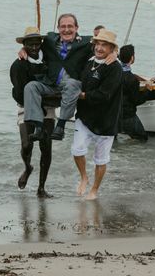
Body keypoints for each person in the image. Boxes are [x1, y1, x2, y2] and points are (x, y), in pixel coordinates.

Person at [23, 14, 95, 142]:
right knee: (31, 86)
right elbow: (34, 45)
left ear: (77, 27)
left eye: (70, 26)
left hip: (72, 85)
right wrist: (23, 49)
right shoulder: (50, 40)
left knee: (72, 83)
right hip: (51, 84)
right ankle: (38, 128)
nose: (66, 30)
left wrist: (113, 52)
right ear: (58, 28)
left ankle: (60, 126)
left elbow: (103, 46)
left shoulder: (86, 42)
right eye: (63, 26)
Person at [71, 29, 122, 200]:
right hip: (84, 116)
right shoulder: (89, 61)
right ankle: (84, 177)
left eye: (104, 45)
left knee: (101, 159)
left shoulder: (115, 67)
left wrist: (82, 95)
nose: (99, 48)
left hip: (106, 120)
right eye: (98, 44)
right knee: (77, 150)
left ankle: (94, 189)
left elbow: (105, 94)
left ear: (112, 48)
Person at [10, 27, 55, 198]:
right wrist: (35, 106)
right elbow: (19, 93)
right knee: (26, 145)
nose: (34, 47)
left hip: (48, 106)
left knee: (46, 147)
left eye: (37, 43)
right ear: (24, 44)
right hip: (26, 107)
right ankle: (28, 167)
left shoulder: (49, 59)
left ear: (41, 43)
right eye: (30, 44)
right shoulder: (18, 65)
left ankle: (41, 188)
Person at [118, 44, 149, 141]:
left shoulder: (114, 73)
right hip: (127, 115)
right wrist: (148, 89)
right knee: (142, 139)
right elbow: (137, 100)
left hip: (112, 115)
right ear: (132, 58)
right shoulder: (131, 79)